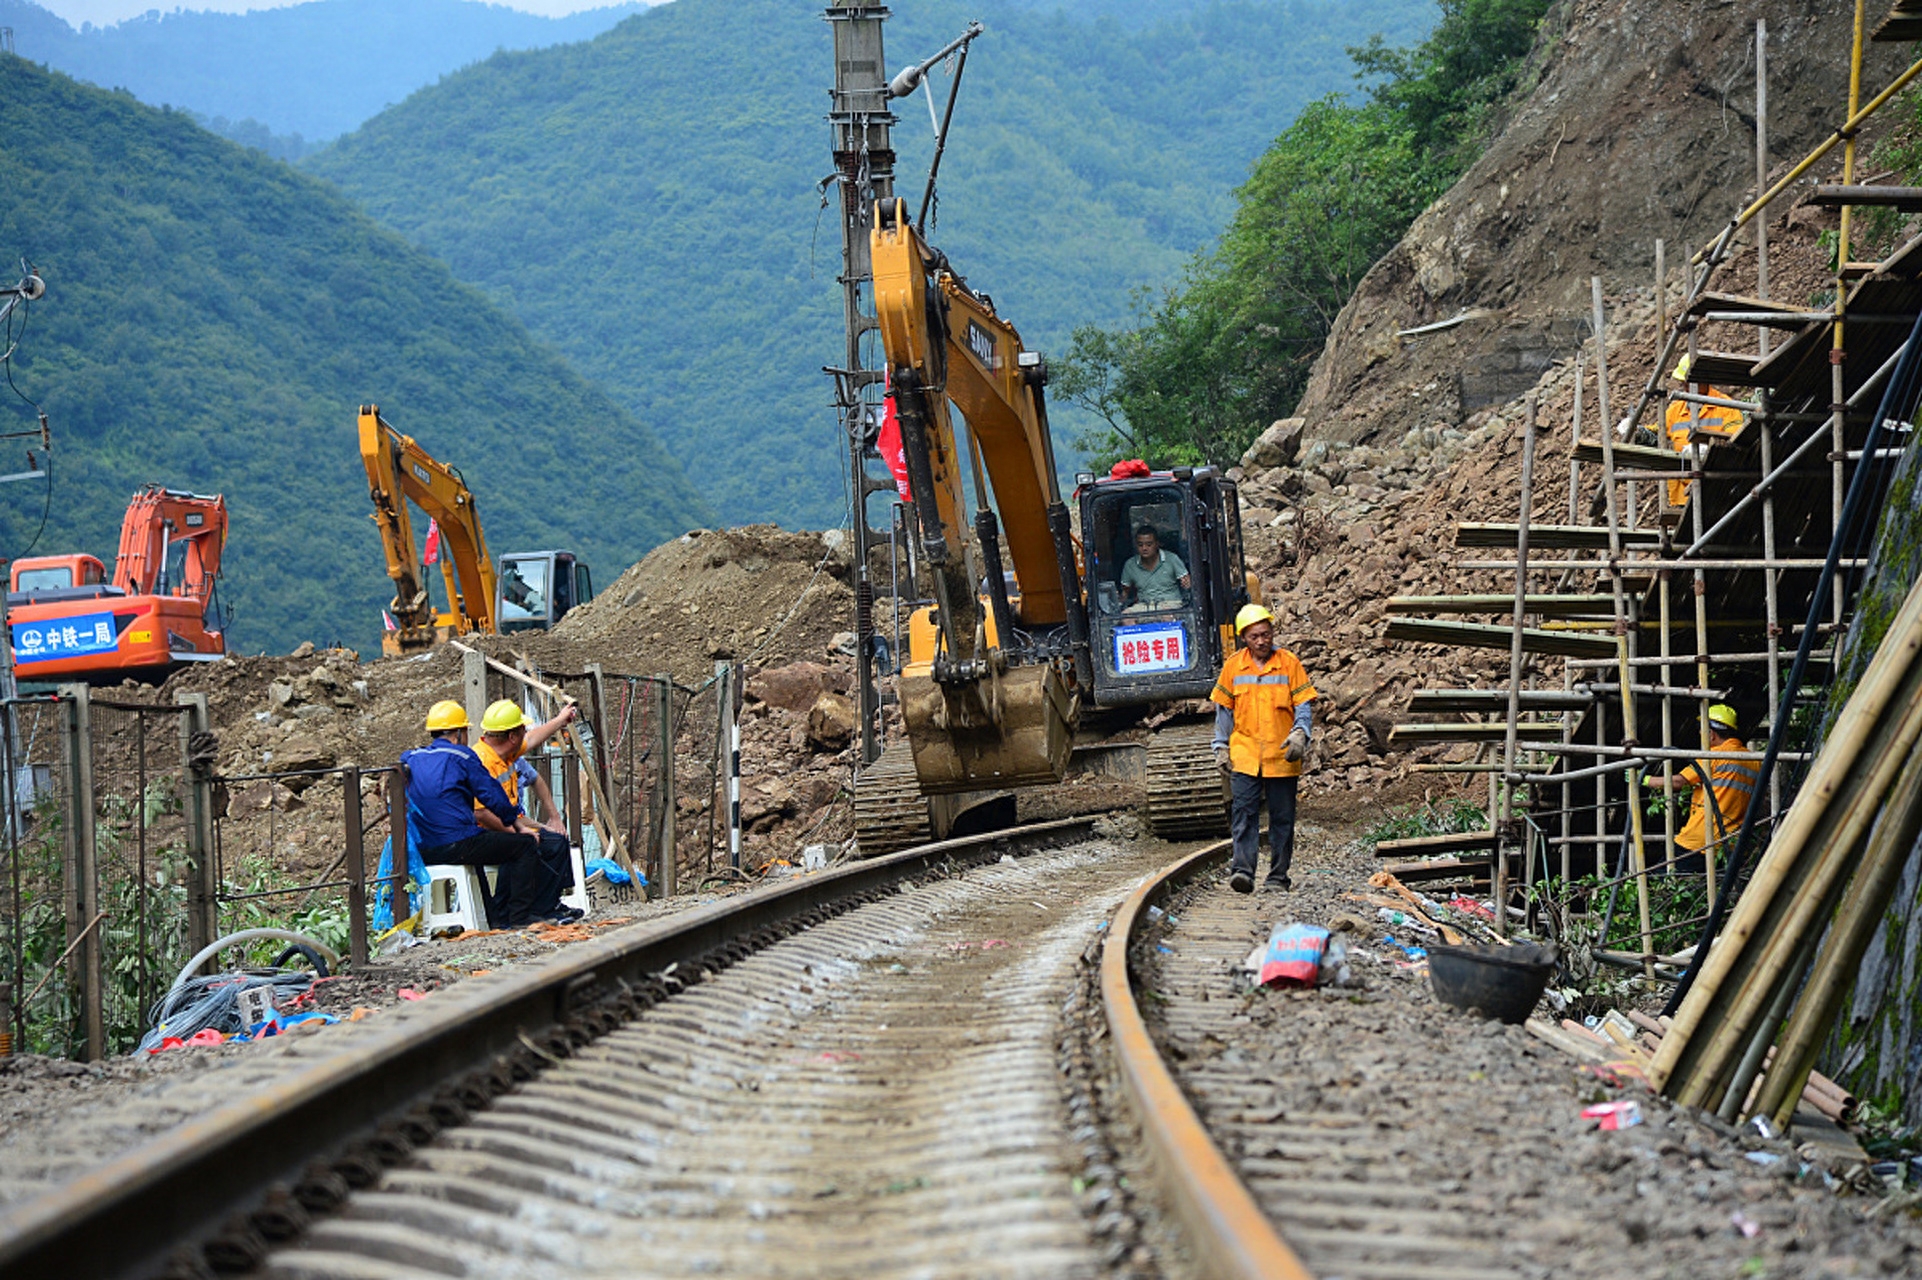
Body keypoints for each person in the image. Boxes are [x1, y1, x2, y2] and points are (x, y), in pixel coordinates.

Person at [403, 700, 568, 927]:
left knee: (489, 853)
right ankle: (519, 918)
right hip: (458, 843)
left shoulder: (410, 758)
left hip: (422, 848)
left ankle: (493, 916)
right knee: (523, 846)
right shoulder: (463, 756)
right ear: (460, 733)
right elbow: (491, 796)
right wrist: (517, 825)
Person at [1210, 603, 1318, 893]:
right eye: (1255, 636)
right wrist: (1220, 746)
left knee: (1282, 819)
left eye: (1266, 634)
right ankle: (1243, 871)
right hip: (1244, 753)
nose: (1262, 641)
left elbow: (1303, 706)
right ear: (1244, 637)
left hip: (1281, 754)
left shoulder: (1289, 663)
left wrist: (1300, 733)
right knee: (1243, 813)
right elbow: (1224, 711)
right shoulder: (1234, 666)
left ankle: (1278, 877)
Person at [473, 699, 582, 914]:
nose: (526, 732)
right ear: (512, 737)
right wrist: (519, 831)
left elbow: (533, 739)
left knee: (555, 841)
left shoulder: (504, 754)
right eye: (522, 729)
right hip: (486, 832)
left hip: (507, 824)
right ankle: (515, 912)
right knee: (526, 845)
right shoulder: (483, 762)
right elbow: (482, 814)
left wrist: (560, 720)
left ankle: (545, 906)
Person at [1662, 703, 1760, 875]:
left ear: (1711, 734)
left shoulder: (1713, 756)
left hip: (1700, 839)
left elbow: (1678, 782)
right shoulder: (1753, 761)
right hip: (1731, 843)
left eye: (1702, 730)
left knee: (1660, 880)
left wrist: (1644, 778)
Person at [1661, 355, 1745, 508]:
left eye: (1688, 383)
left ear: (1703, 381)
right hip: (1683, 498)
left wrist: (1709, 450)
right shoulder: (1675, 410)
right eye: (1683, 383)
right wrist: (1642, 432)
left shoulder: (1726, 407)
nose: (1684, 387)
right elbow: (1659, 433)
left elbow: (1736, 441)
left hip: (1716, 492)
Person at [1119, 526, 1190, 612]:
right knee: (1126, 618)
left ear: (1157, 544)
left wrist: (1187, 583)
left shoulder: (1172, 559)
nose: (1144, 548)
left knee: (1167, 617)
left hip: (1170, 604)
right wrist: (1118, 600)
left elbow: (1187, 583)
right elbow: (1125, 592)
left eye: (1149, 544)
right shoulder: (1130, 565)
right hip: (1144, 606)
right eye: (1140, 545)